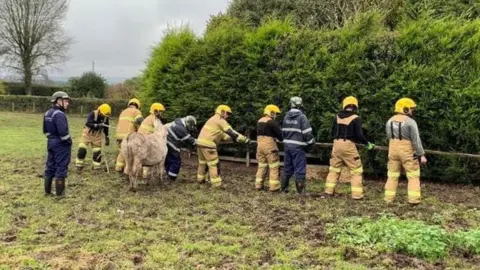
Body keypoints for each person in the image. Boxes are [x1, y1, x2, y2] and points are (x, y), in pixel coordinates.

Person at [324, 96, 375, 199]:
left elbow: (332, 132)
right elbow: (359, 135)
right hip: (348, 146)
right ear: (355, 107)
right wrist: (367, 143)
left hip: (336, 144)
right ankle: (357, 195)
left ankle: (328, 192)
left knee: (334, 169)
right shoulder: (356, 118)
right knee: (356, 170)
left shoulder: (337, 117)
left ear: (344, 105)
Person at [384, 98, 427, 204]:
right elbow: (416, 140)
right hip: (407, 151)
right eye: (411, 109)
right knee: (413, 175)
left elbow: (389, 136)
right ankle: (414, 199)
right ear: (406, 109)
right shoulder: (411, 122)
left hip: (392, 149)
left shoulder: (389, 121)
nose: (412, 111)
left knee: (392, 175)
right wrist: (421, 155)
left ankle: (388, 198)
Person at [196, 105, 250, 188]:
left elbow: (224, 135)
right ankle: (216, 184)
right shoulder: (220, 120)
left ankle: (200, 180)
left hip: (200, 143)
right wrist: (244, 139)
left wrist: (233, 139)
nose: (228, 116)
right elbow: (231, 132)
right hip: (209, 145)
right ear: (222, 112)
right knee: (214, 164)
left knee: (202, 163)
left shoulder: (212, 119)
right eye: (227, 113)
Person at [281, 97, 315, 195]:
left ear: (290, 104)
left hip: (287, 146)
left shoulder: (286, 117)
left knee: (287, 167)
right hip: (298, 148)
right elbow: (307, 133)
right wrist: (311, 143)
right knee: (300, 169)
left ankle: (284, 189)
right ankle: (300, 192)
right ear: (300, 105)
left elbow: (283, 131)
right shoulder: (302, 117)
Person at [43, 91, 72, 197]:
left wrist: (51, 139)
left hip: (51, 142)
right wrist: (69, 142)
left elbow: (45, 131)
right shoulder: (59, 114)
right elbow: (64, 133)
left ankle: (47, 191)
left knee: (50, 166)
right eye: (66, 101)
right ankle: (60, 194)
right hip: (61, 144)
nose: (67, 103)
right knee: (61, 166)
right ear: (58, 101)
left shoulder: (47, 113)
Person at [75, 103, 111, 171]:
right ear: (100, 111)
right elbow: (88, 123)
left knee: (97, 152)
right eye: (103, 115)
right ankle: (79, 165)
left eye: (106, 115)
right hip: (87, 134)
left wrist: (107, 137)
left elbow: (106, 128)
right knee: (82, 149)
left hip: (97, 136)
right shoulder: (93, 113)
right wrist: (97, 125)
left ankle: (96, 167)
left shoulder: (106, 118)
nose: (104, 117)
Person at [255, 105, 283, 191]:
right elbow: (280, 135)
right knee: (274, 166)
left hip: (260, 146)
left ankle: (258, 185)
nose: (276, 116)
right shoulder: (271, 122)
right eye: (275, 113)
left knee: (262, 166)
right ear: (272, 112)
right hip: (270, 146)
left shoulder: (259, 121)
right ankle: (274, 187)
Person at [165, 115, 198, 181]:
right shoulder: (181, 128)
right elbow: (190, 140)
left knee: (169, 160)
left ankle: (168, 175)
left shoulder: (178, 122)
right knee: (176, 161)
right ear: (188, 123)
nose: (190, 128)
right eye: (190, 126)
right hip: (171, 144)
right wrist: (200, 142)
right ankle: (171, 178)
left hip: (166, 142)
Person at [115, 98, 143, 172]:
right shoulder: (136, 111)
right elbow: (139, 121)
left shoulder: (123, 112)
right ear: (137, 106)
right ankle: (127, 169)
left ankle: (119, 167)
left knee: (121, 151)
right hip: (128, 136)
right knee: (128, 153)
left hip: (119, 135)